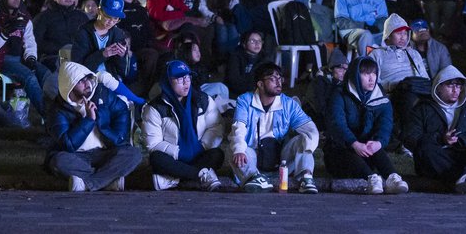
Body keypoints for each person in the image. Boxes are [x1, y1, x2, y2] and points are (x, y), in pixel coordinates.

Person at [46, 60, 142, 192]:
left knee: (134, 154)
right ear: (70, 86)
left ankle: (88, 183)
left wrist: (118, 137)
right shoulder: (58, 109)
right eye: (81, 81)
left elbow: (121, 110)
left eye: (88, 78)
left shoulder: (102, 93)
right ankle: (107, 179)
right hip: (77, 156)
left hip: (104, 152)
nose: (88, 84)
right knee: (58, 161)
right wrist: (89, 119)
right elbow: (67, 143)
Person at [229, 61, 321, 193]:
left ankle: (305, 178)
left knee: (304, 140)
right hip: (253, 154)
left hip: (282, 158)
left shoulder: (289, 104)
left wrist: (308, 149)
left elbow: (310, 129)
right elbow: (239, 127)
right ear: (260, 84)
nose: (278, 83)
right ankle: (254, 178)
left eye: (279, 78)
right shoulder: (245, 100)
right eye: (272, 79)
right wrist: (239, 149)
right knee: (234, 148)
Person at [402, 65, 466, 193]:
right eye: (450, 85)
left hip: (465, 154)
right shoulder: (422, 108)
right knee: (425, 149)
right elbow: (410, 138)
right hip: (439, 157)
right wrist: (441, 139)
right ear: (438, 87)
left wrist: (463, 140)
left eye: (458, 85)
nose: (455, 90)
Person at [324, 54, 407, 194]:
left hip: (367, 151)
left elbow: (385, 124)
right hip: (340, 151)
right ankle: (372, 179)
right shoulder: (340, 94)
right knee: (347, 151)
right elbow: (337, 124)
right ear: (355, 75)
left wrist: (379, 143)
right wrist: (354, 143)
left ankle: (392, 177)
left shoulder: (379, 96)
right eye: (366, 74)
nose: (371, 78)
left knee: (375, 147)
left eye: (374, 73)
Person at [143, 59, 229, 191]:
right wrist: (179, 152)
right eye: (179, 79)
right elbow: (153, 144)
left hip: (199, 153)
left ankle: (175, 180)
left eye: (187, 77)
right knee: (156, 158)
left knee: (217, 154)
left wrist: (202, 146)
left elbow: (216, 126)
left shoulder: (203, 100)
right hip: (174, 158)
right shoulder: (155, 108)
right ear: (167, 81)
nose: (186, 82)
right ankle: (201, 175)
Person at [0, 0, 54, 119]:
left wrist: (31, 57)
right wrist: (5, 33)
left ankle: (62, 113)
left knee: (46, 75)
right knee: (30, 77)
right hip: (0, 60)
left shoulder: (24, 19)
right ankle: (50, 118)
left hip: (20, 58)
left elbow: (30, 42)